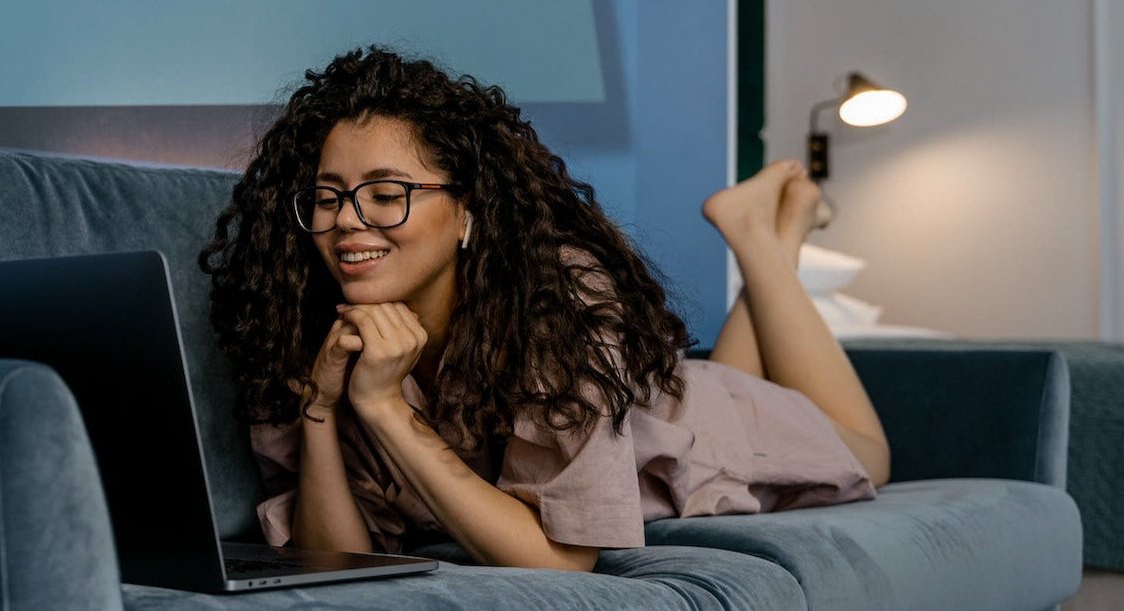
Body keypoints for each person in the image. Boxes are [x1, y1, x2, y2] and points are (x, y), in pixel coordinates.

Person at [199, 47, 889, 572]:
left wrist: (386, 412)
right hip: (657, 410)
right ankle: (772, 236)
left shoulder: (555, 296)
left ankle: (762, 239)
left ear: (467, 208)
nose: (349, 222)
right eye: (329, 196)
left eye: (387, 194)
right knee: (702, 390)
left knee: (868, 454)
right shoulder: (303, 318)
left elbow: (562, 564)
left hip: (705, 430)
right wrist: (321, 410)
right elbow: (333, 569)